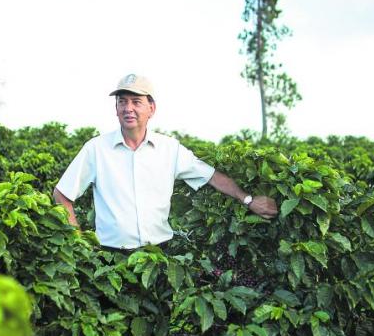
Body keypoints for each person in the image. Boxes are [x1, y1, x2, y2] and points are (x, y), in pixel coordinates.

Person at [52, 73, 278, 251]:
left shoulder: (169, 149)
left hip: (159, 255)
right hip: (111, 255)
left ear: (152, 108)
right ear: (116, 108)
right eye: (122, 102)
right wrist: (79, 243)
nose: (128, 108)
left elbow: (211, 176)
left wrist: (248, 200)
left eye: (136, 101)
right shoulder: (96, 149)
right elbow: (62, 194)